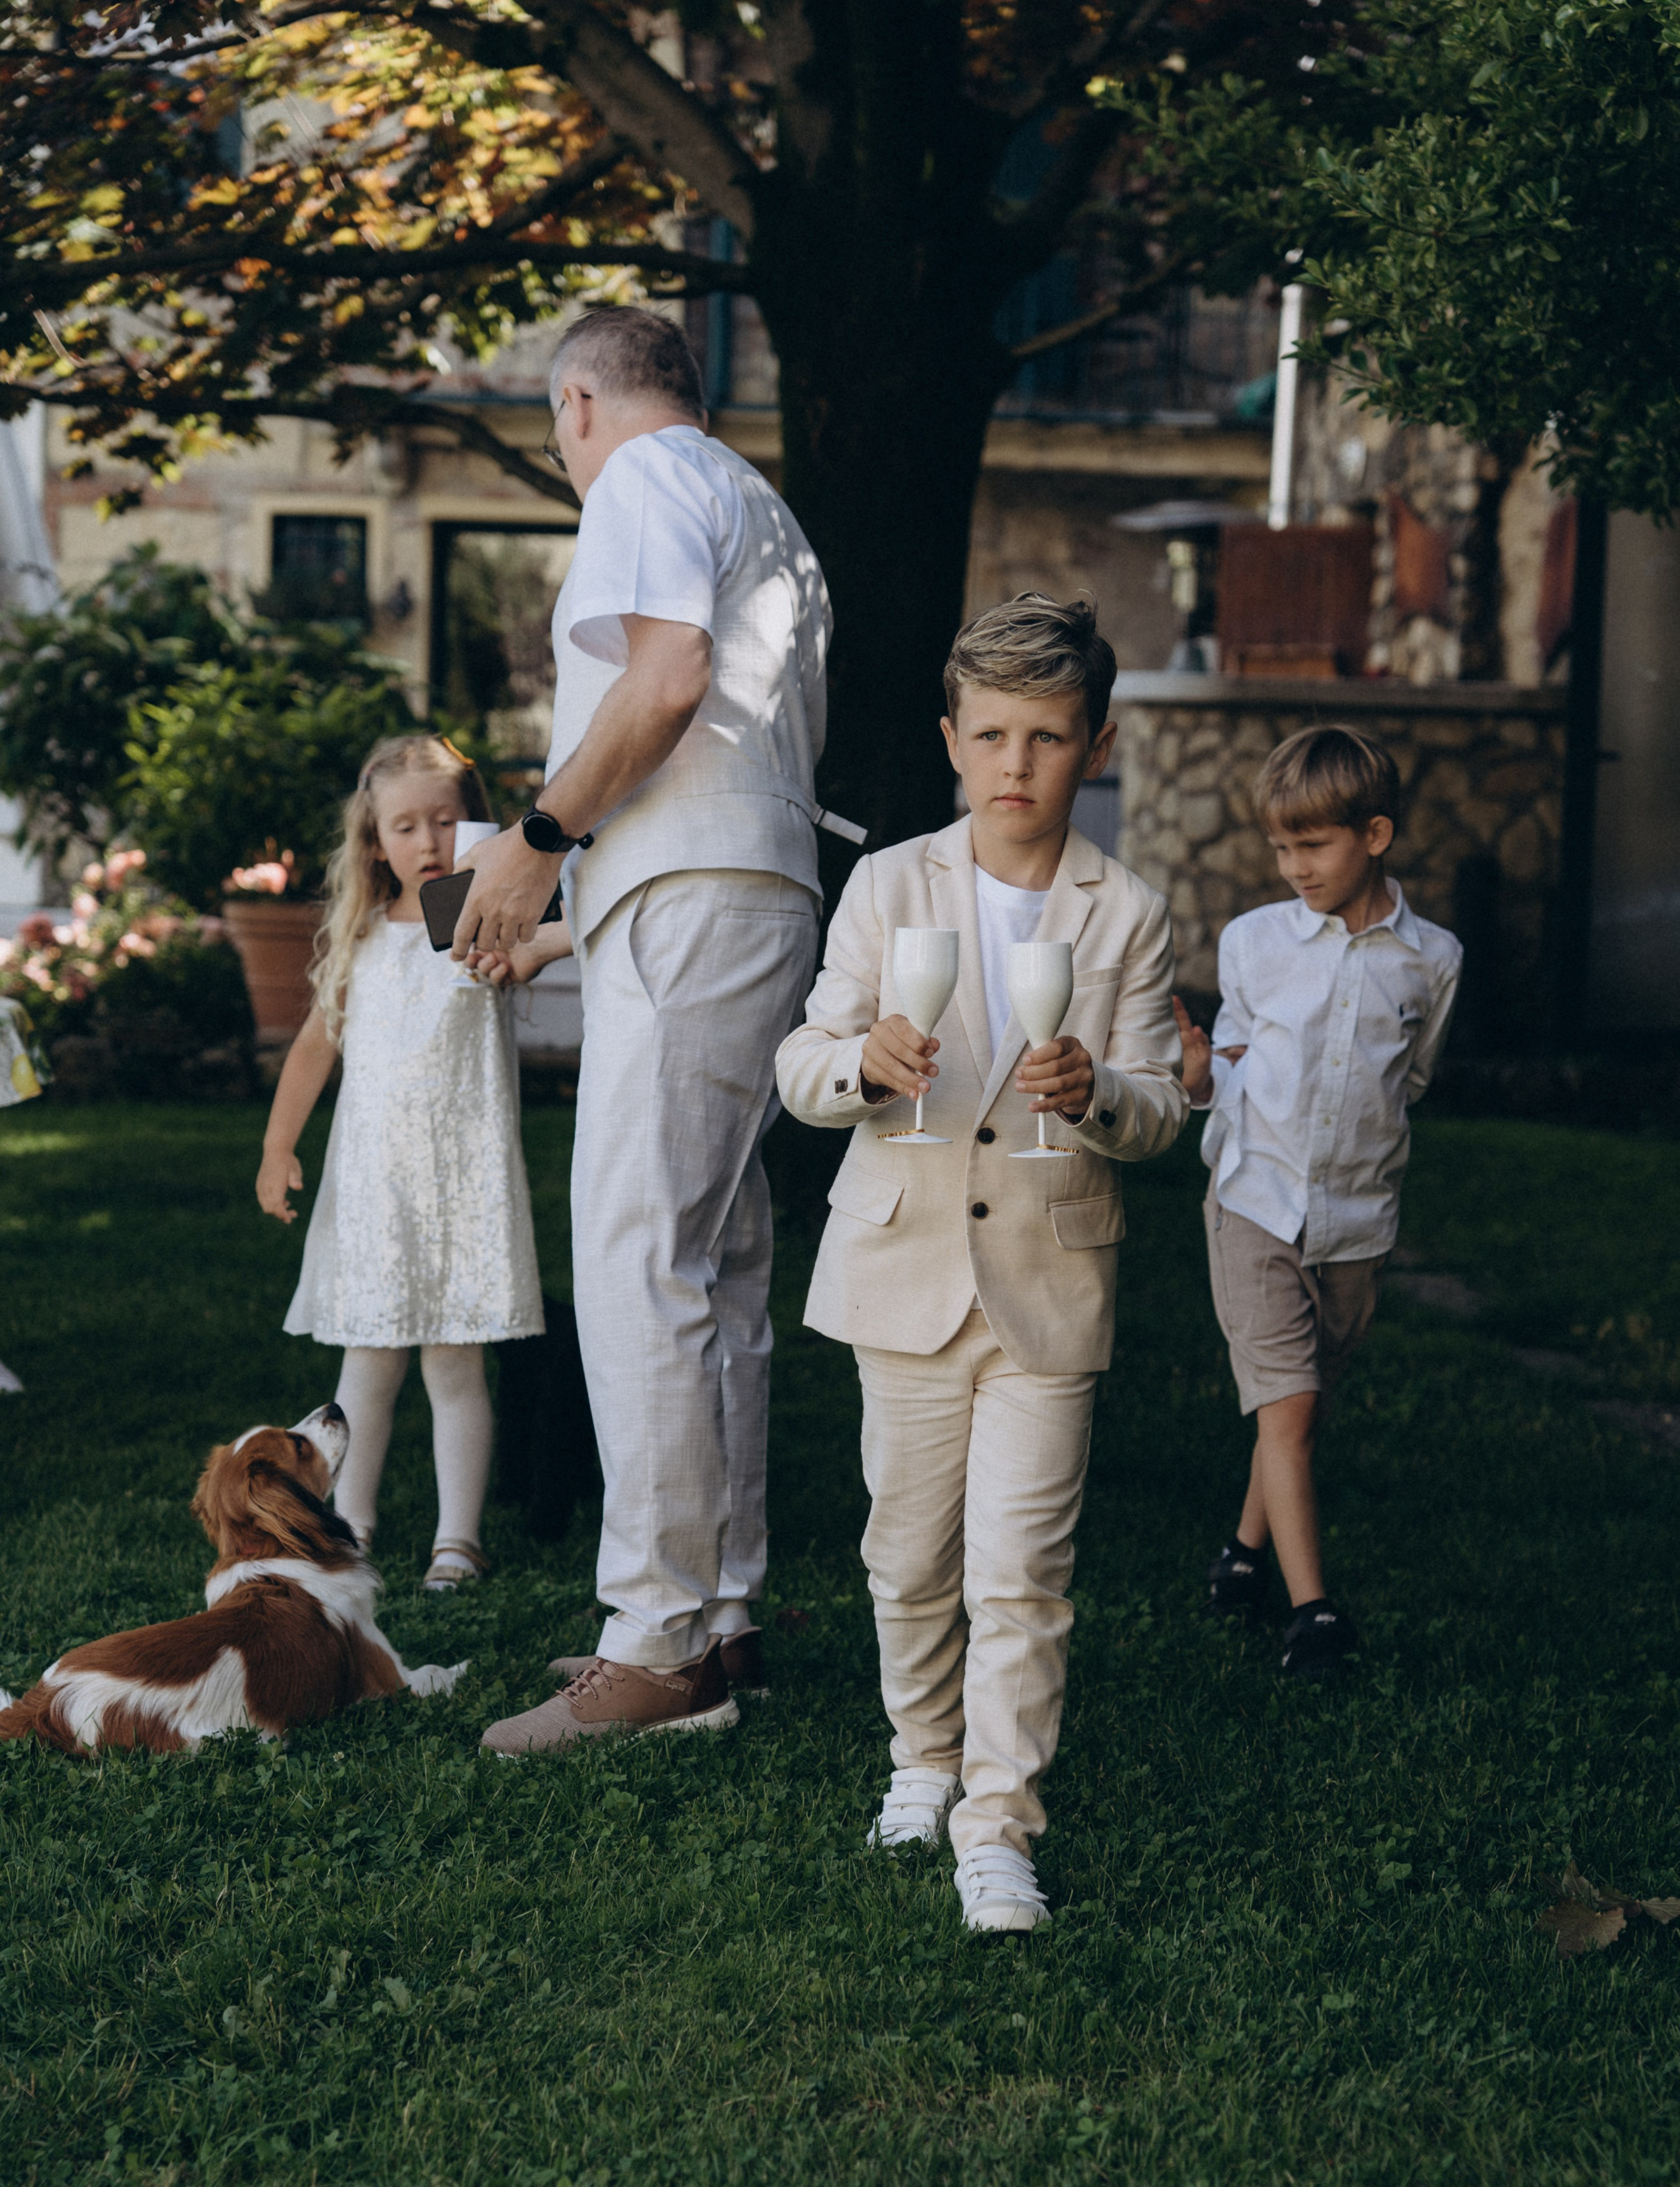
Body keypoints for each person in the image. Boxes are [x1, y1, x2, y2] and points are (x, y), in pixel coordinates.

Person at [775, 595, 1188, 1932]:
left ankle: (998, 1825)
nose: (1018, 764)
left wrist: (1100, 1092)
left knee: (1022, 1572)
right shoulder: (890, 883)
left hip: (1048, 1286)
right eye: (994, 735)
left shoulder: (1127, 911)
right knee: (905, 1554)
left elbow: (1161, 1107)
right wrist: (860, 1062)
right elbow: (801, 1064)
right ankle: (922, 1758)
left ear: (1095, 747)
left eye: (1049, 738)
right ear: (952, 740)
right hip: (901, 1265)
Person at [470, 306, 833, 1755]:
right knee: (718, 1260)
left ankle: (658, 1644)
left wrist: (535, 840)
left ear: (578, 403)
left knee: (637, 1252)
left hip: (691, 892)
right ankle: (722, 1612)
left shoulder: (642, 475)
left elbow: (668, 678)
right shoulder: (763, 506)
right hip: (750, 887)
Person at [1175, 723, 1462, 1680]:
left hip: (1356, 1222)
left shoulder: (1433, 959)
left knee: (1297, 1411)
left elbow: (1411, 1078)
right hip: (1255, 1199)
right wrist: (1197, 1076)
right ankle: (1314, 1617)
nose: (1293, 866)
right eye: (1280, 847)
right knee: (1290, 1403)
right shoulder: (1254, 943)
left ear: (1375, 836)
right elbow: (1230, 1062)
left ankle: (1240, 1556)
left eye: (1313, 845)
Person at [257, 734, 545, 1590]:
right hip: (376, 1188)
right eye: (407, 826)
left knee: (456, 1363)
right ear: (375, 841)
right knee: (369, 1364)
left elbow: (580, 931)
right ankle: (351, 1527)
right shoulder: (360, 937)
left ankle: (459, 1540)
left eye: (447, 821)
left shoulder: (486, 923)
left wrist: (526, 922)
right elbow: (315, 1047)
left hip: (465, 1182)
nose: (429, 842)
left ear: (477, 825)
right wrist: (278, 1147)